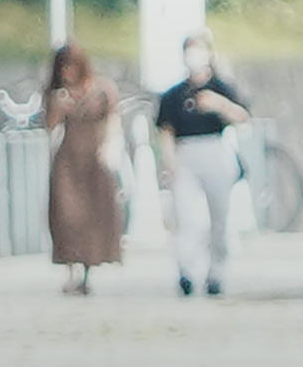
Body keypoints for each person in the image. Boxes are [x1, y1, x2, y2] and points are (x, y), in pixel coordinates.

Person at [151, 36, 254, 295]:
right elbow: (166, 130)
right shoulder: (174, 95)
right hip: (185, 152)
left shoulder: (221, 87)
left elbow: (242, 117)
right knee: (185, 217)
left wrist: (218, 104)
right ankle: (186, 271)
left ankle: (216, 272)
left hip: (215, 148)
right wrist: (169, 162)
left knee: (219, 216)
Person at [39, 44, 129, 289]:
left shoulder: (102, 89)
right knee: (66, 214)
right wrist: (58, 106)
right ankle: (69, 268)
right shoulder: (57, 93)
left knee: (94, 214)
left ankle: (88, 268)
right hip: (68, 158)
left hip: (95, 158)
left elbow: (112, 118)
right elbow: (49, 125)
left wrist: (109, 146)